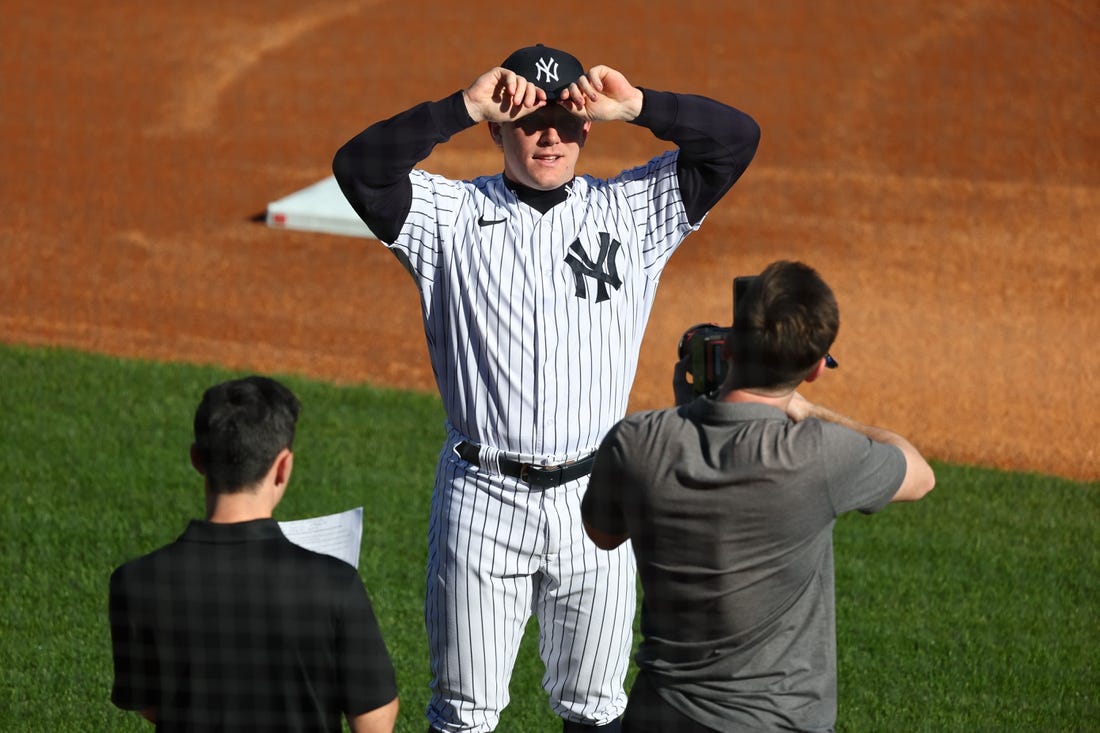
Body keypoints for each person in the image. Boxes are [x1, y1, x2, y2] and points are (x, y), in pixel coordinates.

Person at [332, 44, 760, 733]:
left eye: (564, 120)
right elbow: (358, 168)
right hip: (482, 497)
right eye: (531, 121)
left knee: (594, 707)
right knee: (464, 713)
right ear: (499, 128)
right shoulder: (448, 218)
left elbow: (736, 141)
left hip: (596, 499)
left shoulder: (630, 212)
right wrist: (460, 107)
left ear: (588, 126)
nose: (550, 136)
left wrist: (641, 106)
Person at [581, 260, 936, 733]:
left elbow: (602, 535)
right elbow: (919, 474)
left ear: (728, 344)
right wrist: (808, 412)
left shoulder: (636, 441)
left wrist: (687, 411)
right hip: (779, 720)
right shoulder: (820, 456)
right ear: (814, 370)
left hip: (660, 715)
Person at [108, 376, 400, 733]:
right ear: (283, 467)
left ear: (197, 459)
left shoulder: (135, 583)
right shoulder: (334, 583)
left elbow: (151, 705)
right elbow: (374, 719)